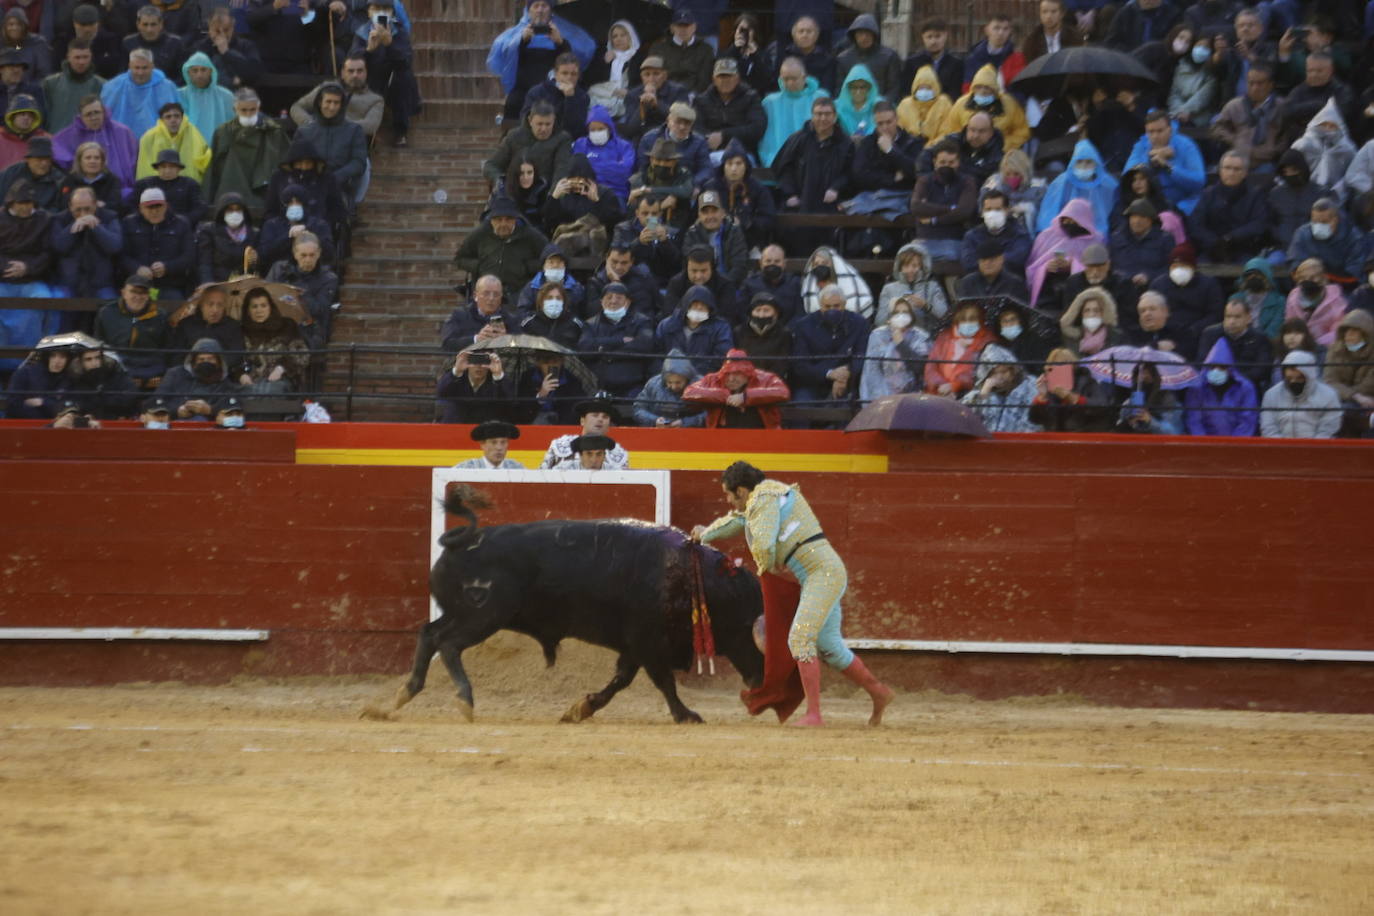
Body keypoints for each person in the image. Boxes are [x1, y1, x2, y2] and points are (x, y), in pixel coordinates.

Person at [691, 461, 894, 728]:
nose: (728, 500)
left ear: (741, 490)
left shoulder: (762, 499)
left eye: (729, 494)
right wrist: (705, 534)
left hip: (821, 575)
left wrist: (767, 565)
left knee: (800, 638)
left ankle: (814, 715)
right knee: (830, 646)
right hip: (824, 573)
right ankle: (879, 693)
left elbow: (763, 543)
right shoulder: (770, 495)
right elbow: (737, 521)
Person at [487, 0, 592, 123]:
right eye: (536, 6)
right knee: (513, 105)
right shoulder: (517, 33)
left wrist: (561, 42)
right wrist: (522, 41)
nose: (540, 10)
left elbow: (569, 61)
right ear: (529, 10)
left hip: (552, 88)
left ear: (550, 9)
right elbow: (508, 60)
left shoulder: (560, 31)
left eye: (544, 6)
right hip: (523, 88)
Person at [205, 88, 288, 219]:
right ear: (235, 109)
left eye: (252, 110)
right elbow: (213, 169)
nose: (248, 114)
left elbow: (285, 163)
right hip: (230, 189)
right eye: (243, 110)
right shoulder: (222, 132)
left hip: (264, 192)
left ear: (258, 107)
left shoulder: (273, 131)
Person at [350, 0, 421, 147]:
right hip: (371, 81)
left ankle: (401, 130)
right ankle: (365, 133)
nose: (381, 12)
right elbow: (351, 62)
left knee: (404, 77)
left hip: (392, 82)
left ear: (392, 13)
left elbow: (405, 62)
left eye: (385, 9)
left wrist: (390, 45)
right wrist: (368, 50)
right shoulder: (361, 32)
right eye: (377, 8)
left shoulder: (399, 32)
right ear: (369, 12)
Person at [451, 197, 548, 298]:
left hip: (519, 294)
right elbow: (459, 259)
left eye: (508, 219)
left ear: (515, 219)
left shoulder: (530, 235)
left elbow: (550, 259)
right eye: (498, 219)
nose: (503, 224)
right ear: (491, 220)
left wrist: (526, 267)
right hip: (487, 294)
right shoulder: (480, 234)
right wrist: (480, 266)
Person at [789, 285, 867, 409]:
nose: (832, 310)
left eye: (836, 306)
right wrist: (830, 373)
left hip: (847, 383)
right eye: (827, 307)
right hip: (812, 384)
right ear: (820, 305)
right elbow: (800, 365)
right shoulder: (804, 326)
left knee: (848, 408)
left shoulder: (859, 323)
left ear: (844, 304)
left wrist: (844, 375)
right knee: (801, 406)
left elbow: (861, 356)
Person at [577, 283, 655, 398]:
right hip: (598, 387)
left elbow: (644, 345)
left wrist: (602, 350)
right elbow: (584, 347)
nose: (613, 301)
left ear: (628, 302)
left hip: (632, 385)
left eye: (619, 298)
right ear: (601, 302)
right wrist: (620, 341)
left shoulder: (641, 321)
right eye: (609, 297)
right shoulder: (590, 324)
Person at [1122, 110, 1206, 215]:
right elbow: (1128, 175)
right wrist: (1150, 159)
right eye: (1151, 132)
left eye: (1160, 131)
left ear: (1169, 130)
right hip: (1149, 206)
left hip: (1183, 204)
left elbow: (1199, 181)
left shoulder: (1186, 146)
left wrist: (1168, 167)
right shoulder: (1141, 146)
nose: (1155, 136)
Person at [295, 82, 367, 204]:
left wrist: (335, 178)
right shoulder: (304, 132)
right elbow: (293, 161)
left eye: (336, 103)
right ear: (319, 102)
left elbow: (358, 162)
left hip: (340, 186)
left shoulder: (354, 130)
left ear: (341, 105)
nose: (332, 107)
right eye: (328, 102)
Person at [682, 349, 790, 429]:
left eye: (737, 373)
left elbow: (783, 392)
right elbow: (689, 392)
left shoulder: (766, 378)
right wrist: (725, 396)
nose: (731, 378)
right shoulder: (713, 379)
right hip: (721, 436)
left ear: (748, 373)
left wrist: (746, 397)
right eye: (727, 374)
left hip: (761, 435)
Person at [909, 139, 977, 267]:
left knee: (951, 258)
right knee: (908, 259)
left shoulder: (967, 182)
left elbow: (964, 212)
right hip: (925, 239)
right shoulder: (925, 181)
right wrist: (952, 208)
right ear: (935, 162)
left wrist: (933, 219)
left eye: (951, 162)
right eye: (942, 162)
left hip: (954, 240)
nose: (947, 166)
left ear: (958, 162)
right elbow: (916, 207)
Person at [1026, 197, 1105, 308]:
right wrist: (1046, 267)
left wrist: (1073, 265)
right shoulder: (1046, 236)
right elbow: (1031, 267)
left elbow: (1101, 270)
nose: (1069, 224)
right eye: (1066, 220)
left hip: (1081, 292)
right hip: (1047, 292)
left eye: (1075, 221)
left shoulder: (1096, 241)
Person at [93, 272, 168, 386]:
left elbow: (167, 348)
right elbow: (99, 342)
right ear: (123, 293)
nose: (138, 297)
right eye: (133, 292)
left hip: (151, 366)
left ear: (148, 295)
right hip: (117, 363)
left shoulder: (160, 315)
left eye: (143, 293)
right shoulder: (106, 312)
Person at [1210, 62, 1286, 173]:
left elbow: (1287, 135)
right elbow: (1216, 128)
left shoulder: (1281, 107)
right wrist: (1234, 140)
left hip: (1266, 161)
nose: (1255, 88)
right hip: (1238, 159)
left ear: (1270, 84)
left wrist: (1274, 150)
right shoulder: (1234, 105)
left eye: (1260, 83)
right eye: (1251, 83)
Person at [118, 185, 193, 296]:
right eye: (149, 207)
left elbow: (189, 256)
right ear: (140, 208)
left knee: (174, 302)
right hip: (136, 282)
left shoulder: (181, 223)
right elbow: (121, 255)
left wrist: (168, 267)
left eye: (158, 206)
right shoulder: (128, 223)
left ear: (166, 206)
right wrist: (136, 268)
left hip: (170, 284)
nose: (154, 211)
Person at [265, 231, 339, 343]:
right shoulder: (279, 269)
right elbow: (266, 296)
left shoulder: (329, 278)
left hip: (309, 333)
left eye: (312, 255)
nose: (308, 260)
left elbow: (318, 310)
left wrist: (297, 287)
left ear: (319, 253)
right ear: (295, 254)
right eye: (303, 255)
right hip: (278, 328)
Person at [48, 184, 121, 299]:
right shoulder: (59, 219)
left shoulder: (109, 217)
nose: (83, 214)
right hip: (69, 282)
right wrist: (74, 226)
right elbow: (58, 247)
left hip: (101, 284)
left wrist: (96, 227)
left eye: (87, 209)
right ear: (70, 206)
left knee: (110, 306)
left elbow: (115, 246)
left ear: (95, 204)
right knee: (58, 301)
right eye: (78, 210)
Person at [51, 95, 137, 190]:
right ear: (81, 117)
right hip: (84, 188)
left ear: (104, 112)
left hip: (120, 188)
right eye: (88, 114)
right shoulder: (71, 134)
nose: (93, 117)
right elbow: (55, 147)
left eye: (97, 112)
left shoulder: (122, 132)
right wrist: (75, 164)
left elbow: (134, 160)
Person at [1036, 139, 1118, 237]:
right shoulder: (1061, 182)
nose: (1083, 166)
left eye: (1088, 162)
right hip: (1064, 234)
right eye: (1079, 162)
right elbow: (1048, 214)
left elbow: (1115, 216)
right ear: (1073, 163)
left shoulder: (1108, 185)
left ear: (1096, 163)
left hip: (1098, 237)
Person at [702, 139, 775, 250]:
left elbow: (768, 218)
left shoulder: (758, 188)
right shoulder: (711, 187)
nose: (734, 168)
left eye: (738, 163)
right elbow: (700, 216)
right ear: (723, 166)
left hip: (750, 242)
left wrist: (747, 222)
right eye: (730, 163)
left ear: (746, 166)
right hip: (715, 240)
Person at [758, 56, 828, 167]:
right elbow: (765, 140)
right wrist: (770, 160)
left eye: (794, 79)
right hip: (779, 163)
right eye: (786, 79)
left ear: (804, 77)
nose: (790, 83)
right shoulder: (770, 103)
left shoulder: (820, 98)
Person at [238, 287, 308, 396]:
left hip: (282, 379)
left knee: (271, 392)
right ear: (248, 310)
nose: (259, 310)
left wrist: (281, 368)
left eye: (263, 305)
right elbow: (235, 361)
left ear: (270, 307)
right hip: (251, 381)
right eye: (254, 306)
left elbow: (302, 354)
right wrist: (241, 374)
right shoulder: (241, 331)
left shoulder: (287, 326)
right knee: (244, 393)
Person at [1185, 337, 1260, 438]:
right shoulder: (1197, 387)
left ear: (1230, 369)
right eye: (1213, 367)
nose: (1217, 370)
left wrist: (1234, 445)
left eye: (1222, 367)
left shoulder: (1245, 387)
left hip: (1238, 447)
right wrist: (1204, 444)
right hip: (1204, 446)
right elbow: (1194, 420)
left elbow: (1248, 421)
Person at [942, 63, 1029, 151]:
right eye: (978, 87)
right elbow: (951, 130)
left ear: (995, 90)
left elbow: (1022, 131)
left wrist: (1003, 146)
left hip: (1000, 155)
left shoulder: (1009, 104)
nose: (982, 91)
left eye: (987, 88)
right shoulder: (961, 104)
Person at [692, 57, 766, 158]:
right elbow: (696, 127)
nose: (725, 81)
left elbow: (757, 128)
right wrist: (709, 138)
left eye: (729, 76)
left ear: (737, 78)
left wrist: (724, 135)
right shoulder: (701, 100)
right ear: (714, 79)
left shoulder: (751, 97)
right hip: (710, 151)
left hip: (743, 153)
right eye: (721, 77)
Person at [1195, 298, 1273, 394]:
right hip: (1214, 386)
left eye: (1237, 317)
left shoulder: (1260, 338)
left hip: (1247, 387)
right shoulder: (1210, 334)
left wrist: (1236, 380)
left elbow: (1262, 369)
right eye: (1228, 316)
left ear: (1249, 318)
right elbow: (1202, 362)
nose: (1232, 321)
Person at [859, 296, 928, 402]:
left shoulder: (920, 336)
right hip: (883, 397)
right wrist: (879, 399)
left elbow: (920, 368)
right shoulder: (878, 335)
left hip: (913, 397)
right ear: (890, 315)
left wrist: (900, 343)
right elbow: (872, 371)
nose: (901, 315)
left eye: (905, 312)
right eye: (896, 312)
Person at [155, 336, 242, 421]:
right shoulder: (175, 374)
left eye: (210, 359)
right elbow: (155, 402)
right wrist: (177, 411)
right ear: (193, 361)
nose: (205, 362)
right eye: (201, 359)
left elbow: (234, 409)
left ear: (219, 362)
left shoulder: (225, 383)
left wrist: (210, 410)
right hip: (174, 425)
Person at [653, 283, 733, 376]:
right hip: (670, 379)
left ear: (710, 308)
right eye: (694, 305)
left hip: (705, 379)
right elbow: (656, 356)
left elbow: (721, 358)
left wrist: (692, 375)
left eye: (703, 306)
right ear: (686, 305)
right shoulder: (666, 325)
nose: (699, 308)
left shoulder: (721, 328)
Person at [1261, 350, 1341, 438]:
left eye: (1299, 378)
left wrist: (1310, 449)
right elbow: (1268, 428)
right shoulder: (1272, 394)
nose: (1293, 382)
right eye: (1289, 378)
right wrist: (1282, 447)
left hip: (1317, 448)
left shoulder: (1328, 395)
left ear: (1309, 376)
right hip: (1280, 447)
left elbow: (1327, 430)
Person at [100, 48, 177, 140]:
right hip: (121, 141)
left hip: (158, 142)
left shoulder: (167, 87)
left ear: (152, 66)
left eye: (145, 68)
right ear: (129, 66)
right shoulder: (112, 87)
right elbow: (104, 118)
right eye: (137, 68)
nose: (140, 73)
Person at [960, 343, 1038, 432]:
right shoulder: (980, 393)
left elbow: (1035, 421)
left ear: (1013, 370)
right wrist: (984, 394)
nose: (1000, 377)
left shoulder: (1030, 386)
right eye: (994, 373)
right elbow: (967, 420)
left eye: (1004, 372)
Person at [540, 393, 630, 469]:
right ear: (582, 420)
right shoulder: (560, 445)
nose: (600, 420)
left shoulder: (618, 454)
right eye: (595, 415)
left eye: (605, 417)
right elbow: (541, 476)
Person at [1287, 199, 1369, 280]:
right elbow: (1295, 265)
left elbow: (1354, 274)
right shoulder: (1302, 233)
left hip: (1344, 287)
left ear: (1336, 219)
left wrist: (1321, 276)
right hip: (1308, 285)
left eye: (1324, 222)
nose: (1319, 226)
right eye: (1315, 222)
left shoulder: (1354, 237)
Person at [1322, 310, 1374, 434]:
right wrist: (1354, 396)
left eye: (1354, 331)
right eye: (1346, 331)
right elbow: (1330, 381)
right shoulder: (1335, 350)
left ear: (1366, 334)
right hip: (1343, 400)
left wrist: (1353, 395)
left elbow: (1371, 383)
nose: (1348, 335)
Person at [618, 54, 689, 143]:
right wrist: (642, 106)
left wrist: (657, 103)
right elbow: (630, 130)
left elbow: (682, 120)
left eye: (656, 74)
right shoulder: (633, 94)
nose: (651, 79)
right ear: (641, 77)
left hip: (670, 135)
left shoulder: (678, 91)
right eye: (647, 75)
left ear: (665, 75)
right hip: (642, 137)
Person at [188, 6, 262, 92]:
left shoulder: (246, 46)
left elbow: (254, 73)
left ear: (233, 26)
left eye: (226, 30)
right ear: (209, 28)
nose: (222, 35)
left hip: (240, 98)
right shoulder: (200, 47)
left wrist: (227, 52)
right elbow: (192, 76)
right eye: (217, 31)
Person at [440, 273, 517, 354]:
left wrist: (507, 341)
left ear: (501, 296)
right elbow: (447, 344)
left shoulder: (511, 319)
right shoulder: (459, 315)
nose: (491, 298)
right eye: (486, 293)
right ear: (475, 295)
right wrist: (476, 339)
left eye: (496, 294)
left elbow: (522, 351)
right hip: (466, 363)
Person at [572, 104, 635, 203]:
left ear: (609, 128)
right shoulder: (581, 144)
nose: (596, 132)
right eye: (592, 130)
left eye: (601, 129)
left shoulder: (624, 146)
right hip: (585, 194)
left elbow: (624, 173)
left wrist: (591, 167)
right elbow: (578, 171)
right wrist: (612, 165)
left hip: (616, 194)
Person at [520, 51, 589, 140]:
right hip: (537, 139)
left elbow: (576, 129)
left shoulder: (582, 96)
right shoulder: (537, 92)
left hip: (567, 143)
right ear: (556, 74)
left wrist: (570, 99)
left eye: (573, 74)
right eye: (564, 73)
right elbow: (525, 120)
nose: (569, 78)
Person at [436, 349, 515, 425]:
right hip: (457, 426)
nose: (479, 366)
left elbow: (508, 401)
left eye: (484, 362)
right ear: (468, 363)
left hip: (486, 431)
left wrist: (498, 375)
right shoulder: (458, 378)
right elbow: (441, 392)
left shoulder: (496, 381)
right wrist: (456, 371)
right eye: (474, 361)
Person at [133, 100, 206, 182]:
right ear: (161, 120)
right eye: (168, 117)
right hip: (157, 187)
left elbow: (203, 161)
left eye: (177, 116)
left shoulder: (194, 133)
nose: (173, 120)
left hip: (188, 187)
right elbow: (144, 167)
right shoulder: (149, 137)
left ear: (183, 118)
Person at [835, 13, 901, 103]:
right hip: (852, 107)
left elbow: (894, 88)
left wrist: (883, 106)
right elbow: (840, 89)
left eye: (868, 33)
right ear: (854, 35)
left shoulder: (889, 56)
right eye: (860, 33)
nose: (864, 37)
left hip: (880, 107)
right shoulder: (843, 58)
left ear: (874, 35)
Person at [42, 39, 104, 134]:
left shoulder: (102, 85)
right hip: (56, 140)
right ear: (68, 57)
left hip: (89, 143)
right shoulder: (50, 83)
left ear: (91, 57)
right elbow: (43, 114)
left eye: (85, 57)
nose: (81, 62)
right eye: (77, 57)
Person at [583, 19, 642, 119]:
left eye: (623, 35)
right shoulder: (603, 55)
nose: (619, 39)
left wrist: (628, 91)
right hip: (604, 98)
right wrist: (604, 62)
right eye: (615, 36)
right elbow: (589, 80)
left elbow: (641, 82)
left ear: (630, 36)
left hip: (627, 99)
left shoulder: (638, 58)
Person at [196, 191, 258, 284]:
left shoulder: (253, 233)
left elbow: (257, 266)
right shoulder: (209, 231)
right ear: (222, 212)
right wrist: (208, 284)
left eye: (238, 210)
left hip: (244, 283)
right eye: (230, 210)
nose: (235, 213)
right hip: (218, 282)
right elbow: (205, 263)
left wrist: (256, 260)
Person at [61, 344, 138, 418]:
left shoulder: (116, 374)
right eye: (88, 359)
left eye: (97, 358)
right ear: (81, 362)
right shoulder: (75, 379)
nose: (94, 363)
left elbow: (130, 396)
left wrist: (100, 401)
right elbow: (73, 402)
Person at [632, 348, 705, 427]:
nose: (673, 387)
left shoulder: (701, 385)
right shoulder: (653, 384)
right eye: (669, 382)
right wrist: (654, 420)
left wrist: (686, 422)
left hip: (693, 432)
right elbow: (638, 409)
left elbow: (712, 413)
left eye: (678, 382)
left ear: (687, 378)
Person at [177, 52, 234, 150]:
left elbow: (233, 127)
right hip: (187, 150)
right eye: (195, 70)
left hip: (218, 151)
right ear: (188, 73)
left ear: (211, 71)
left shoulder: (226, 96)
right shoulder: (178, 95)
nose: (199, 75)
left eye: (203, 70)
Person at [5, 335, 72, 419]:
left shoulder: (67, 378)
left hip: (53, 424)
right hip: (24, 423)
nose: (57, 361)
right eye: (53, 356)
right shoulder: (25, 373)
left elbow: (65, 405)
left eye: (62, 357)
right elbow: (13, 404)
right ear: (46, 357)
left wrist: (42, 402)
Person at [798, 245, 873, 320]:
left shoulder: (845, 281)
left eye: (824, 263)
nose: (820, 266)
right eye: (816, 264)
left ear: (833, 264)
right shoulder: (810, 285)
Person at [1109, 199, 1173, 286]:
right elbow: (1111, 266)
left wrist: (1149, 277)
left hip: (1155, 287)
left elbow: (1170, 268)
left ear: (1151, 220)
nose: (1137, 221)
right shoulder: (1117, 238)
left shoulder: (1165, 239)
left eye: (1142, 217)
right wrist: (1128, 277)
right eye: (1133, 216)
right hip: (1123, 287)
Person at [1285, 257, 1348, 346]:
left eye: (1313, 277)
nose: (1308, 281)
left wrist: (1317, 344)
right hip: (1300, 346)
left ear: (1323, 278)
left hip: (1328, 347)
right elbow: (1290, 325)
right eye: (1303, 278)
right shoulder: (1293, 297)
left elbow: (1339, 329)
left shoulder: (1335, 297)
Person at [732, 292, 793, 381]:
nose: (761, 315)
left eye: (766, 310)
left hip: (773, 381)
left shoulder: (784, 333)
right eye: (758, 310)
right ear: (751, 313)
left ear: (776, 313)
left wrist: (767, 380)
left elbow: (782, 364)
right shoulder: (739, 331)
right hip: (744, 380)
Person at [514, 242, 585, 317]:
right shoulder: (532, 288)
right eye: (551, 262)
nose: (555, 266)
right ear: (543, 266)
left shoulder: (576, 288)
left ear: (565, 266)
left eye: (559, 262)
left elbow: (582, 314)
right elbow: (522, 313)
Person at [901, 18, 962, 102]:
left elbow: (955, 92)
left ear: (945, 36)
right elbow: (906, 91)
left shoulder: (956, 63)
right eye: (929, 37)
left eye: (938, 36)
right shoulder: (912, 63)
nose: (933, 41)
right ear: (923, 38)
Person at [740, 244, 802, 324]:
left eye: (777, 261)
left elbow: (799, 313)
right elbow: (742, 312)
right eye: (768, 261)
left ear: (784, 263)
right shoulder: (749, 284)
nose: (772, 264)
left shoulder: (795, 283)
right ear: (761, 263)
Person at [956, 238, 1029, 301]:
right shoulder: (967, 283)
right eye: (983, 260)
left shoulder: (1015, 283)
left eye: (992, 260)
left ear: (1001, 259)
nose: (987, 263)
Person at [895, 65, 952, 145]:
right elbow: (899, 129)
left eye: (928, 88)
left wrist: (930, 147)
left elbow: (946, 132)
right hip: (908, 149)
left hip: (936, 150)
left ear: (935, 88)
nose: (924, 91)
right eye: (921, 88)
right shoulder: (905, 105)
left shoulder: (944, 104)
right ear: (915, 88)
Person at [454, 420, 525, 469]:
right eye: (493, 442)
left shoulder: (517, 468)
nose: (499, 448)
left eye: (503, 442)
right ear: (482, 444)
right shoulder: (466, 468)